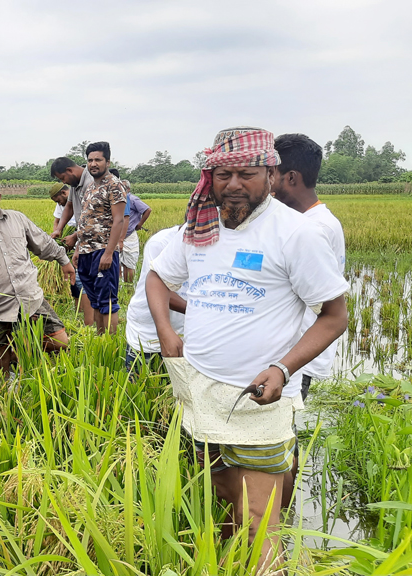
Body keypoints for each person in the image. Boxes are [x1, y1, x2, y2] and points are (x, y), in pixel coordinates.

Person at [146, 127, 348, 569]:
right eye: (223, 174)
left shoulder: (296, 234)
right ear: (209, 177)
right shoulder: (197, 229)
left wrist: (283, 367)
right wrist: (167, 334)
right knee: (220, 501)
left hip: (260, 399)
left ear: (272, 175)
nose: (234, 183)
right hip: (199, 393)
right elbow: (158, 278)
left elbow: (335, 316)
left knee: (259, 521)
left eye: (247, 173)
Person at [272, 133, 347, 510]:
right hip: (292, 352)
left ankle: (278, 519)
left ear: (291, 178)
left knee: (281, 436)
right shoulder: (304, 220)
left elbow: (328, 309)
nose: (265, 183)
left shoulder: (313, 228)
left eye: (271, 173)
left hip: (297, 354)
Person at [0, 175, 73, 374]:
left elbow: (43, 243)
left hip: (29, 298)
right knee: (0, 365)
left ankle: (22, 349)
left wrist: (64, 260)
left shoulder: (17, 218)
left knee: (60, 343)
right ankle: (11, 374)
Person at [74, 142, 127, 335]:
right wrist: (79, 248)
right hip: (86, 252)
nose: (93, 164)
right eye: (90, 160)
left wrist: (109, 252)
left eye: (98, 160)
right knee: (94, 299)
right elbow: (85, 220)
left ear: (107, 161)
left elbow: (119, 220)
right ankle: (99, 339)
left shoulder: (114, 185)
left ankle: (110, 344)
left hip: (103, 251)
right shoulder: (89, 187)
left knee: (107, 301)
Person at [123, 225, 185, 375]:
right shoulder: (161, 243)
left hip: (186, 328)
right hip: (149, 328)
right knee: (139, 387)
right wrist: (197, 310)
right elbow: (159, 289)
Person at [50, 156, 95, 326]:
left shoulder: (91, 182)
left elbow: (91, 216)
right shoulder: (74, 184)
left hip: (94, 240)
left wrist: (75, 236)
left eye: (62, 178)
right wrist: (59, 229)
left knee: (89, 282)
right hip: (83, 241)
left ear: (69, 171)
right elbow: (69, 207)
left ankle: (91, 326)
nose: (63, 182)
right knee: (83, 280)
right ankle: (89, 323)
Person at [108, 169, 151, 284]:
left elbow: (146, 210)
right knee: (117, 263)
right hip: (115, 235)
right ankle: (120, 287)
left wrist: (139, 224)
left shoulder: (131, 199)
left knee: (129, 263)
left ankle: (128, 287)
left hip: (128, 235)